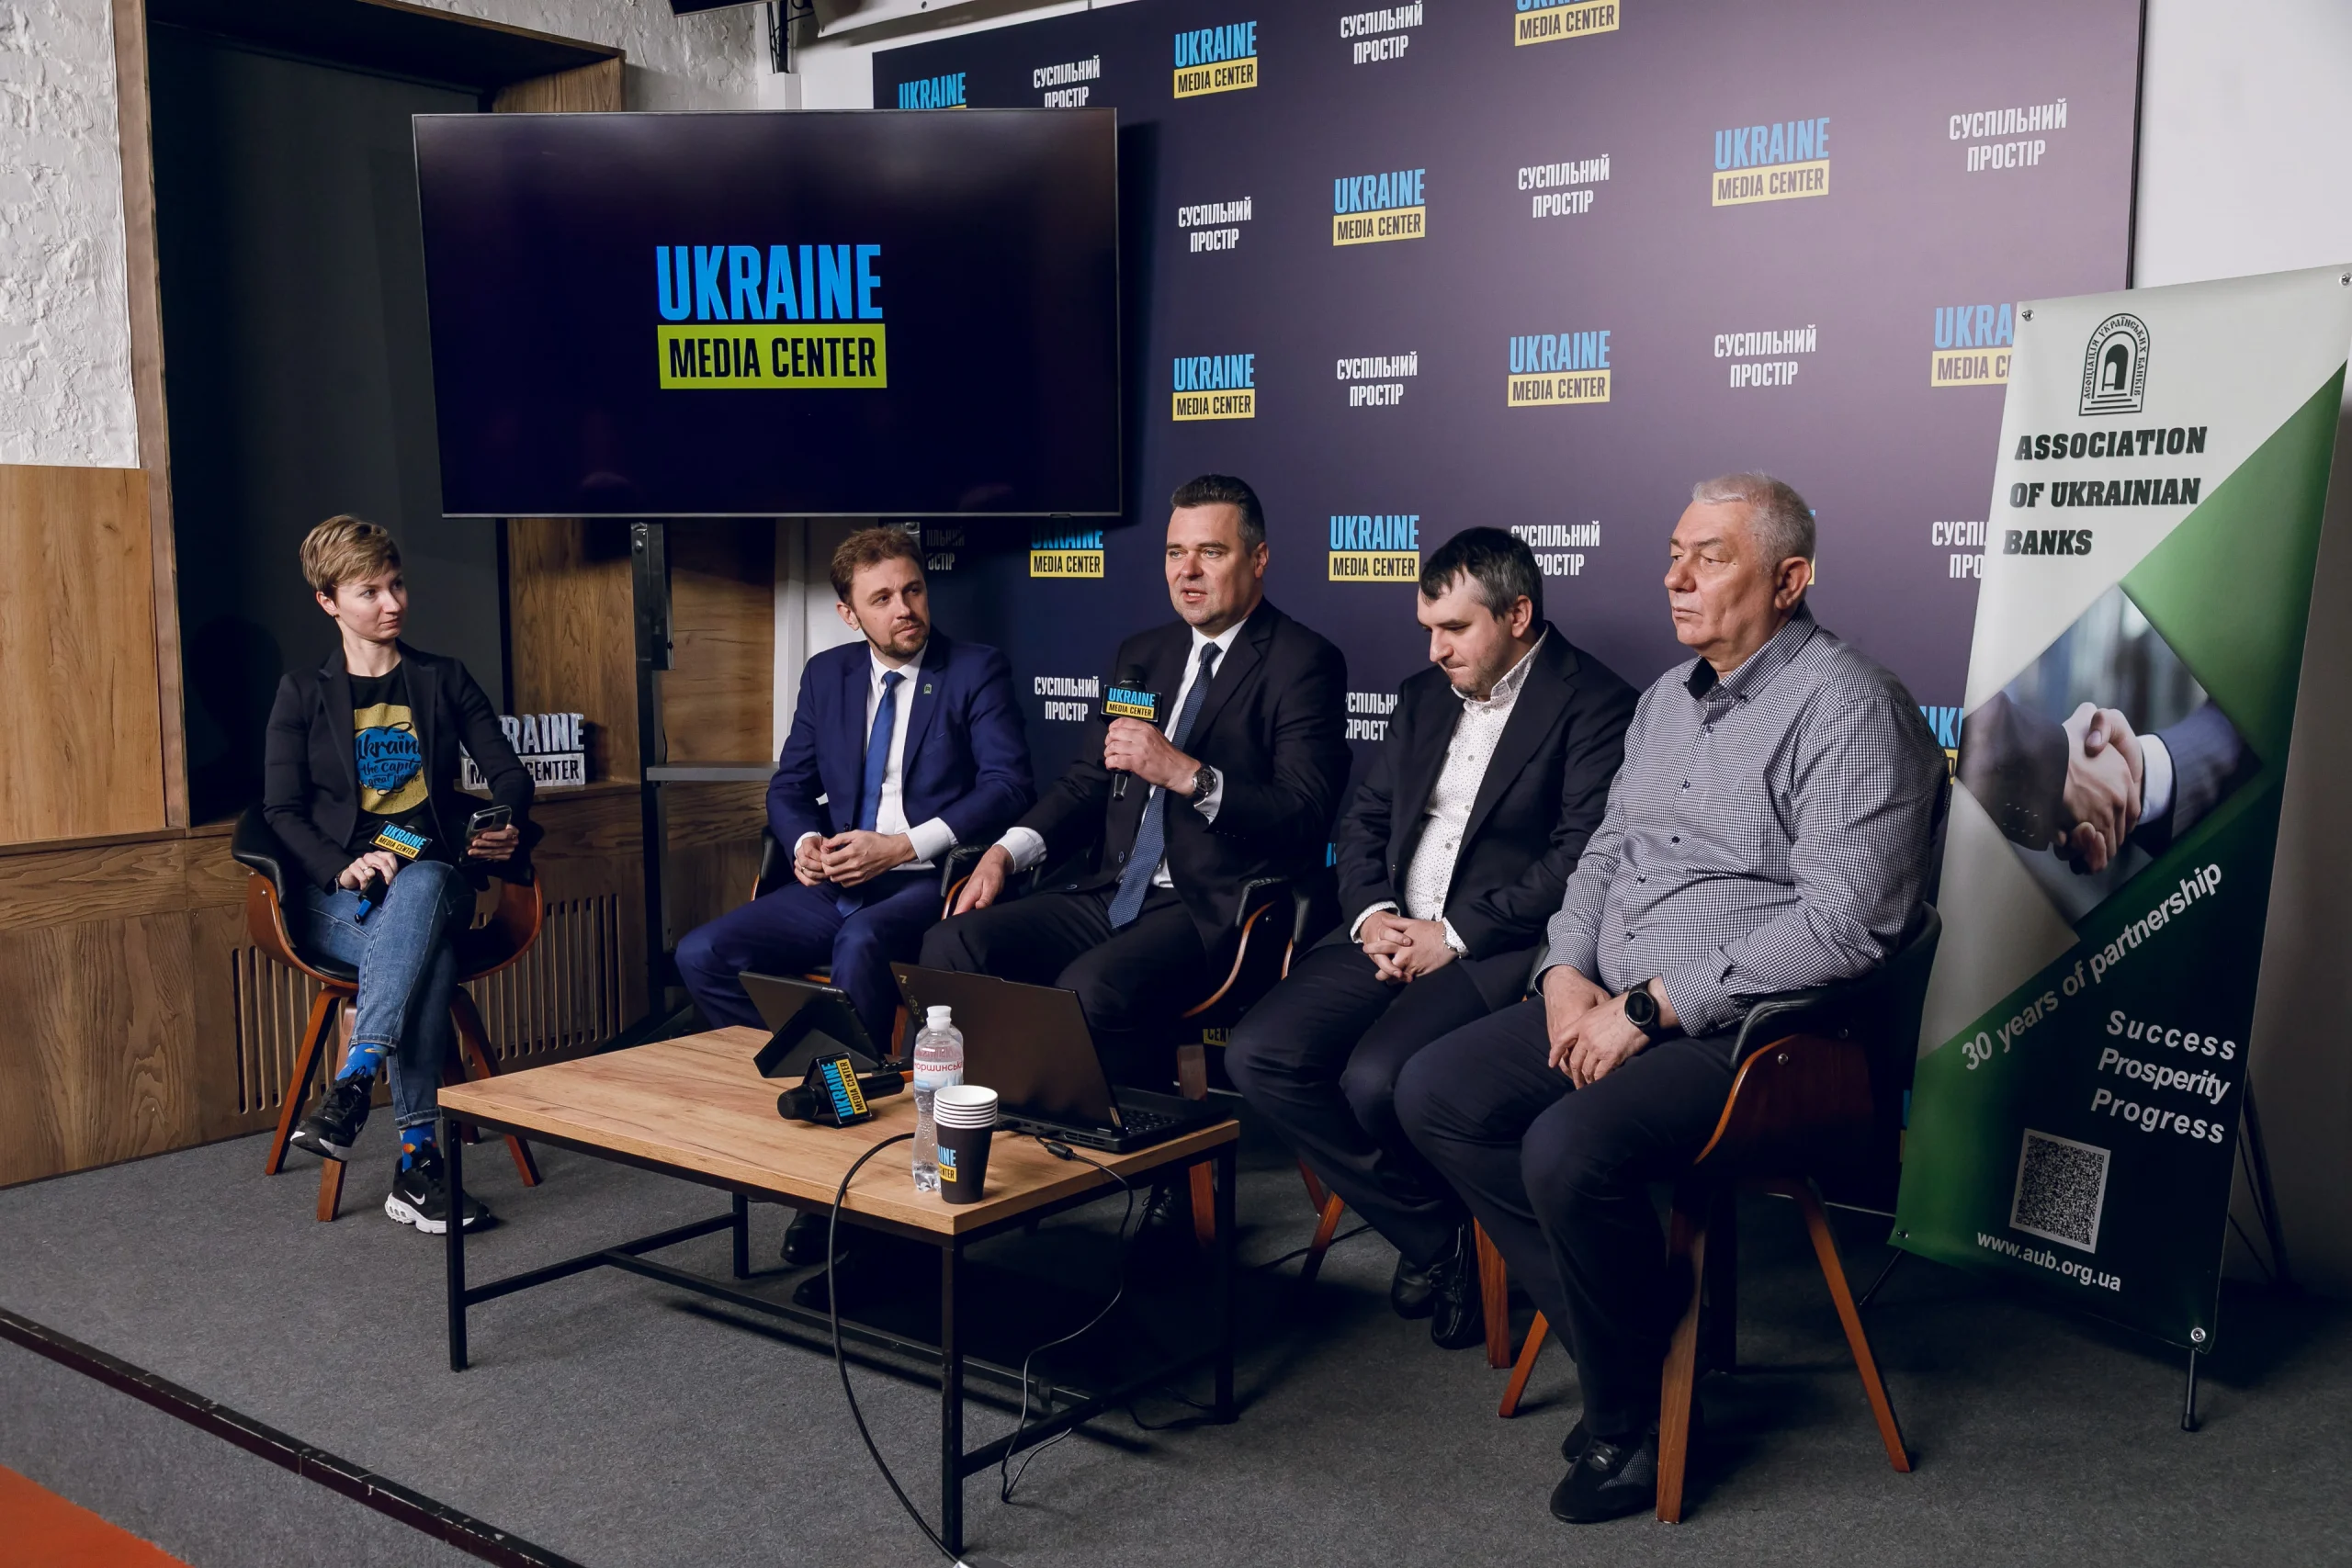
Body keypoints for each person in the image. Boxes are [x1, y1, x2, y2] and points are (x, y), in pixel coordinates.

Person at [1396, 474, 1947, 1524]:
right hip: (1610, 995)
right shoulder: (1661, 702)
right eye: (1672, 555)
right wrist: (1564, 973)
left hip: (1763, 1036)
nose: (1675, 578)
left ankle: (1631, 1429)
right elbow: (1602, 857)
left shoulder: (1848, 706)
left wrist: (1648, 1008)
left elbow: (1843, 927)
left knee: (1565, 1147)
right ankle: (1637, 1343)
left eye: (1710, 557)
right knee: (1436, 1092)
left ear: (1789, 579)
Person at [1225, 528, 1634, 1350]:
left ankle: (1458, 1239)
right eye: (1428, 629)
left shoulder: (1598, 702)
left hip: (1494, 950)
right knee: (1258, 1055)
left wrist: (1452, 934)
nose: (1436, 649)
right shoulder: (1422, 695)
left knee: (1377, 1081)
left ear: (1518, 614)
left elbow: (1579, 858)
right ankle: (1440, 1235)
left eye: (1454, 628)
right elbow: (1364, 820)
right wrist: (1372, 914)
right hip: (1387, 931)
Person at [920, 474, 1351, 1093]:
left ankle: (1127, 1143)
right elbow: (1087, 782)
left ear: (1258, 559)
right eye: (1176, 553)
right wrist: (1004, 852)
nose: (1188, 571)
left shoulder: (1303, 662)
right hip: (1110, 890)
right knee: (952, 945)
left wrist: (1186, 774)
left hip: (1212, 910)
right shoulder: (1144, 653)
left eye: (1211, 552)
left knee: (1091, 987)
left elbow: (1305, 812)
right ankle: (980, 1121)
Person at [675, 527, 1033, 1056]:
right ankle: (802, 1065)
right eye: (882, 599)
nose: (904, 609)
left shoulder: (975, 670)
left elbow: (1008, 786)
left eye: (912, 590)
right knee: (700, 954)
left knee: (860, 941)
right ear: (850, 614)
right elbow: (790, 786)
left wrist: (901, 847)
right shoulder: (827, 674)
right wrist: (804, 844)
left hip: (929, 878)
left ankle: (853, 1088)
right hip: (837, 881)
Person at [273, 516, 535, 1235]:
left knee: (422, 883)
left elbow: (509, 773)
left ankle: (355, 1081)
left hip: (434, 878)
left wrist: (506, 818)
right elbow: (279, 811)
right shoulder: (302, 692)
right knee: (428, 961)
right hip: (341, 897)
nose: (392, 603)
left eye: (396, 584)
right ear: (328, 601)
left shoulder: (441, 678)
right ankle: (418, 1164)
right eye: (370, 591)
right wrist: (344, 864)